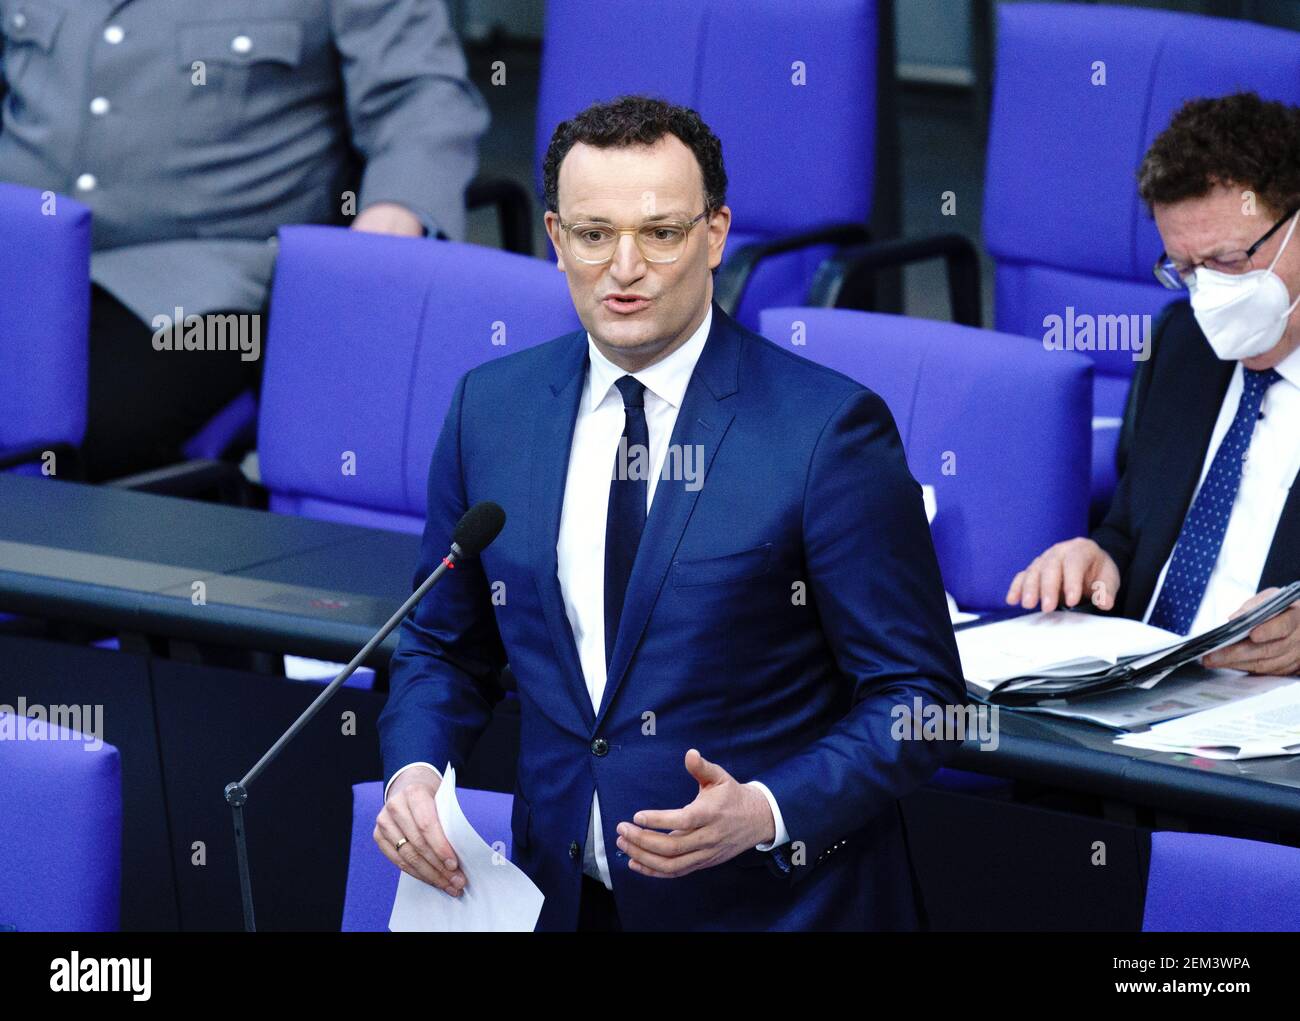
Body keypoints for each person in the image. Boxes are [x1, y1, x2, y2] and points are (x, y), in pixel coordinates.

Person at [374, 96, 965, 931]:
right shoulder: (489, 409)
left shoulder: (826, 433)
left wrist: (766, 808)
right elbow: (441, 646)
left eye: (660, 233)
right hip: (564, 900)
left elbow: (920, 697)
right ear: (555, 238)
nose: (624, 266)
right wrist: (414, 773)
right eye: (593, 234)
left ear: (716, 235)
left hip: (776, 909)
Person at [0, 0, 488, 479]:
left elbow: (421, 98)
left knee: (54, 425)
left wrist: (395, 210)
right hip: (23, 253)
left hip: (205, 282)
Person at [1007, 92, 1300, 677]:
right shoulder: (1181, 344)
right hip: (1142, 691)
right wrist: (1097, 560)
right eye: (1186, 270)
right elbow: (1130, 525)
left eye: (1228, 261)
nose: (1209, 295)